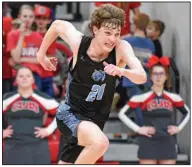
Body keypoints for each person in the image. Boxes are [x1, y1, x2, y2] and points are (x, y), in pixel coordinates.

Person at [37, 4, 147, 164]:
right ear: (95, 29)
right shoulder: (78, 43)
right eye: (108, 33)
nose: (112, 39)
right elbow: (57, 25)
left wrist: (122, 71)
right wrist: (41, 54)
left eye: (117, 34)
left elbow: (142, 76)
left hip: (95, 121)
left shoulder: (121, 48)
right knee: (100, 143)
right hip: (70, 114)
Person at [118, 55, 190, 164]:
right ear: (150, 76)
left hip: (168, 141)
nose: (158, 77)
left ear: (166, 76)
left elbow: (187, 112)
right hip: (148, 142)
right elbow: (122, 114)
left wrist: (178, 128)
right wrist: (138, 129)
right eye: (155, 74)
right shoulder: (142, 97)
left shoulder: (173, 97)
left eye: (161, 74)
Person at [3, 66, 58, 164]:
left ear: (33, 80)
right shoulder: (7, 98)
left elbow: (64, 113)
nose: (24, 78)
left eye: (28, 76)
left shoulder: (43, 98)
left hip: (38, 143)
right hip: (13, 143)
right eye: (21, 76)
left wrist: (48, 130)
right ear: (16, 80)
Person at [6, 4, 46, 92]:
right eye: (25, 16)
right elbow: (16, 58)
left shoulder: (38, 37)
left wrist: (22, 59)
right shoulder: (11, 35)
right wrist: (21, 36)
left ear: (34, 19)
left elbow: (41, 60)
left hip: (35, 75)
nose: (27, 19)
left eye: (31, 16)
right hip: (18, 74)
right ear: (19, 17)